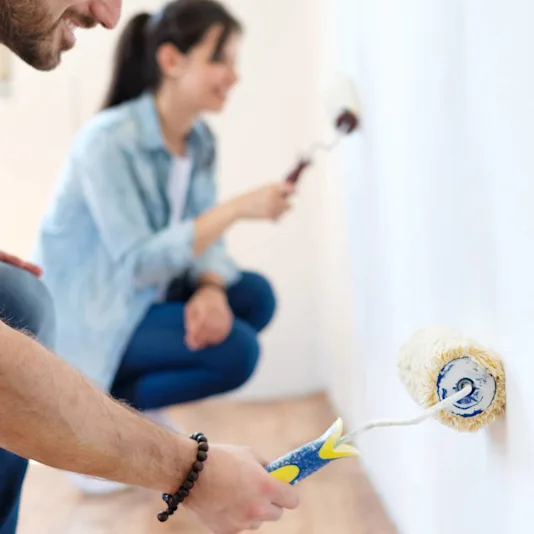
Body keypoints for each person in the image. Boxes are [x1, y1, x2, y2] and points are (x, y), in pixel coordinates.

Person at [0, 0, 299, 533]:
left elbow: (201, 246)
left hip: (144, 299)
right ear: (171, 61)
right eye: (220, 59)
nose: (234, 75)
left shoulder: (199, 141)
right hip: (92, 314)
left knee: (251, 296)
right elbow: (139, 261)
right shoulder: (107, 142)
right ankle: (102, 414)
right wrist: (236, 209)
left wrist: (209, 288)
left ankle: (119, 411)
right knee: (239, 349)